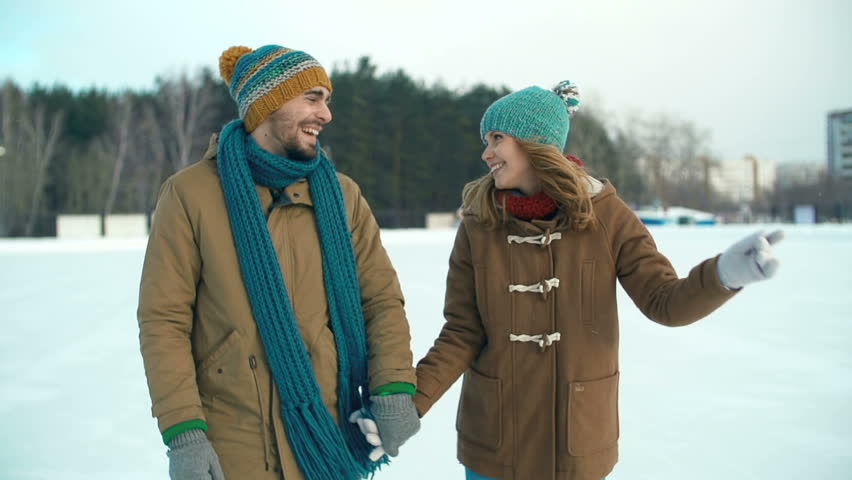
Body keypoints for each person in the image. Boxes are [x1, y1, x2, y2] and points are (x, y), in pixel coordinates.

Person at [410, 81, 783, 480]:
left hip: (577, 442)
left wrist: (724, 275)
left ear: (534, 142)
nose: (486, 153)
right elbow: (462, 332)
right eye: (486, 140)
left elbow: (664, 301)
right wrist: (408, 405)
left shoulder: (608, 215)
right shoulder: (478, 225)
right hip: (494, 446)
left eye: (497, 138)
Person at [137, 44, 420, 480]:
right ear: (267, 104)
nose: (325, 115)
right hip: (235, 446)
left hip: (329, 437)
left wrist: (394, 386)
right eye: (312, 98)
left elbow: (380, 300)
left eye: (327, 100)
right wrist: (184, 433)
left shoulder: (343, 196)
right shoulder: (190, 195)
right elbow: (164, 320)